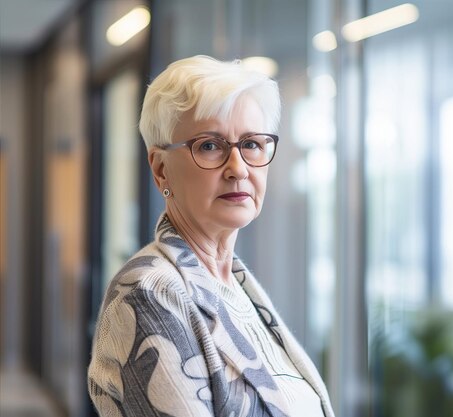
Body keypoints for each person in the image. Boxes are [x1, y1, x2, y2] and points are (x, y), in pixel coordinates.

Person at [88, 55, 334, 417]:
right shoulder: (151, 293)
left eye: (251, 144)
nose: (238, 169)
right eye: (209, 146)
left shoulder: (234, 285)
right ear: (160, 170)